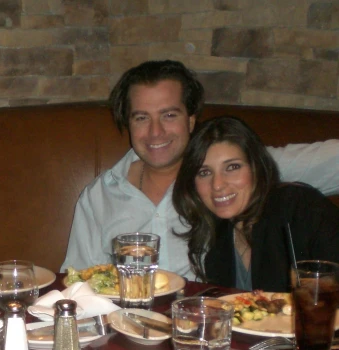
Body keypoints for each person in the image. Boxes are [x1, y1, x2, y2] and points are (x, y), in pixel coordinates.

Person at [61, 60, 339, 279]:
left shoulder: (229, 175)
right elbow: (77, 283)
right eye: (142, 117)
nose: (155, 132)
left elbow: (328, 161)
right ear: (128, 123)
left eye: (169, 115)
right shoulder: (99, 195)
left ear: (191, 120)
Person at [173, 116, 339, 291]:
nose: (217, 184)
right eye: (205, 172)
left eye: (232, 167)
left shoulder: (300, 208)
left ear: (256, 167)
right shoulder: (216, 237)